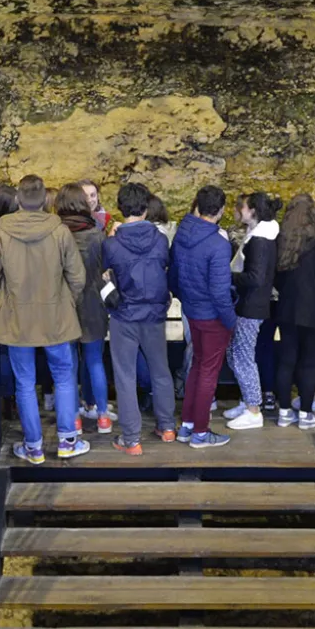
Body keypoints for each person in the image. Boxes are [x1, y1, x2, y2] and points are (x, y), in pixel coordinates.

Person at [0, 175, 88, 463]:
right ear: (44, 201)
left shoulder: (1, 233)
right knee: (65, 377)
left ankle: (34, 447)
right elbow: (77, 276)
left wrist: (1, 305)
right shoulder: (60, 231)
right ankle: (67, 442)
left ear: (17, 200)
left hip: (16, 318)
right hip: (56, 315)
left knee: (24, 383)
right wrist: (67, 302)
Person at [102, 181, 177, 453]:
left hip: (124, 315)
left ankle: (132, 439)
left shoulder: (111, 244)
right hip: (155, 314)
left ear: (121, 209)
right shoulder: (160, 240)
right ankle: (168, 427)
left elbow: (105, 275)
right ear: (146, 208)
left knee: (125, 376)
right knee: (160, 370)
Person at [169, 185, 236, 448]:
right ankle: (200, 432)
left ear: (196, 205)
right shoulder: (218, 244)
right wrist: (231, 321)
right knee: (208, 372)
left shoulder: (182, 233)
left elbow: (173, 275)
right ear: (220, 211)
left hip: (192, 311)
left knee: (197, 367)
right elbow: (220, 293)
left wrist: (186, 300)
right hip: (212, 317)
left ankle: (187, 425)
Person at [272, 193, 315, 428]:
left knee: (287, 360)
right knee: (309, 362)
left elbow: (276, 277)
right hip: (313, 309)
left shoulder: (284, 239)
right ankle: (306, 414)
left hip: (287, 308)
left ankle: (284, 412)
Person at [56, 186, 112, 434]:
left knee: (68, 366)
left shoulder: (55, 235)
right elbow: (105, 273)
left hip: (64, 305)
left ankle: (74, 419)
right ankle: (102, 417)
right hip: (92, 304)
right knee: (95, 362)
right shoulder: (96, 235)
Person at [221, 192, 279, 430]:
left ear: (253, 211)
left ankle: (254, 410)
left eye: (242, 207)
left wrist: (228, 276)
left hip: (251, 306)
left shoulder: (260, 241)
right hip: (249, 304)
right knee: (235, 354)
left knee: (243, 357)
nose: (239, 210)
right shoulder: (258, 236)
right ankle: (248, 401)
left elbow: (255, 277)